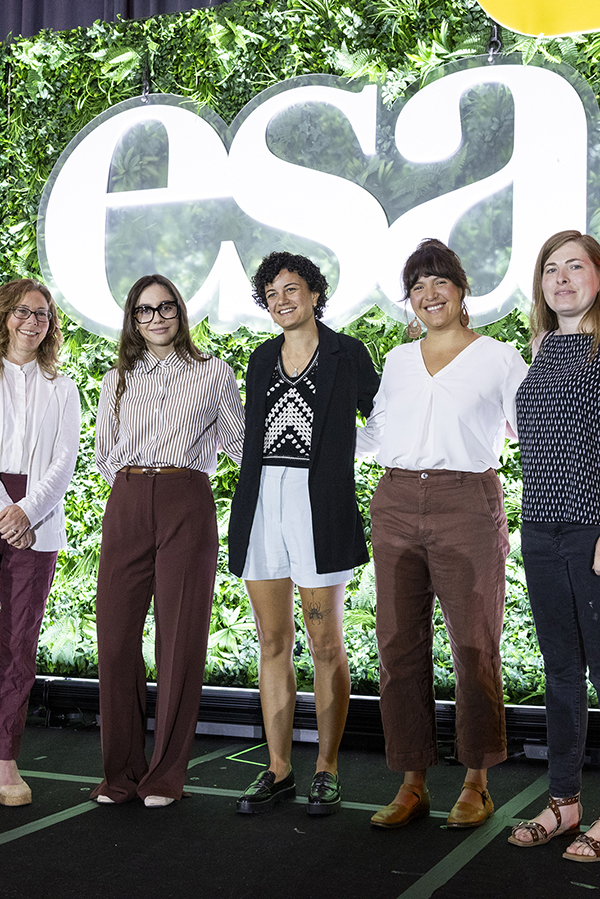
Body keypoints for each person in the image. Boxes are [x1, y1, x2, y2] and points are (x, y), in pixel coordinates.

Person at [357, 239, 528, 829]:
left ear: (461, 290)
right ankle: (412, 783)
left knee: (474, 645)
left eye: (440, 282)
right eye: (418, 285)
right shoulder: (400, 360)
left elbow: (533, 430)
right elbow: (377, 434)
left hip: (467, 500)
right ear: (410, 299)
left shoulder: (501, 358)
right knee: (399, 645)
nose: (429, 294)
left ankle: (476, 783)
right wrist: (314, 433)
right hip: (397, 499)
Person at [229, 251, 379, 815]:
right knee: (272, 643)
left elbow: (383, 419)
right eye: (271, 294)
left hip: (320, 508)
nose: (281, 300)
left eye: (291, 289)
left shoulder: (348, 354)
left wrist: (342, 456)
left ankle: (327, 769)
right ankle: (279, 769)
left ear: (314, 294)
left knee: (323, 643)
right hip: (263, 503)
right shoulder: (262, 358)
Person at [91, 274, 244, 807]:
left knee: (179, 642)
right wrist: (135, 488)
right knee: (113, 641)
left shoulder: (213, 372)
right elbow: (105, 452)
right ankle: (120, 774)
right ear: (133, 320)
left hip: (186, 499)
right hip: (128, 499)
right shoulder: (117, 378)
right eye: (144, 310)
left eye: (165, 307)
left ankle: (164, 777)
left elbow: (236, 443)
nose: (155, 317)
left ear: (180, 311)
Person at [509, 230, 600, 861]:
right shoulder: (541, 347)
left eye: (575, 266)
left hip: (593, 529)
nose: (561, 278)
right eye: (550, 269)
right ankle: (565, 803)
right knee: (562, 674)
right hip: (541, 527)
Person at [0, 279, 80, 806]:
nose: (34, 321)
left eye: (44, 314)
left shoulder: (63, 386)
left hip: (37, 520)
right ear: (5, 315)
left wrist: (26, 511)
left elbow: (65, 462)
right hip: (3, 509)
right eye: (24, 312)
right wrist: (3, 512)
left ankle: (5, 761)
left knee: (17, 644)